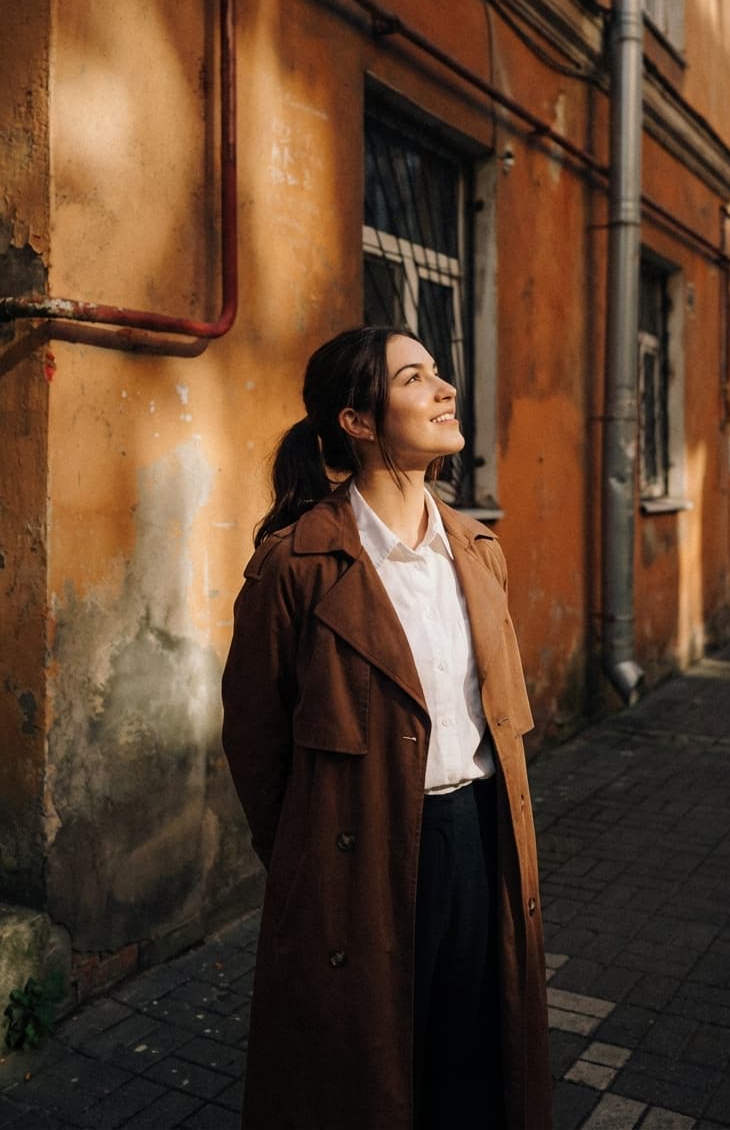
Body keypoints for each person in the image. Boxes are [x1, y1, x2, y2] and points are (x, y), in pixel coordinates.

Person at [222, 325, 552, 1130]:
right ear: (359, 421)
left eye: (437, 373)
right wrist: (311, 858)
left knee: (474, 1063)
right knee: (368, 1071)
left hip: (480, 838)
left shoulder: (477, 548)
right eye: (414, 379)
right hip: (357, 849)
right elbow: (256, 743)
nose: (444, 389)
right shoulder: (296, 564)